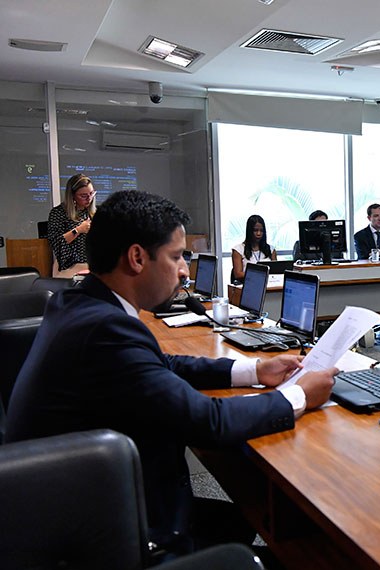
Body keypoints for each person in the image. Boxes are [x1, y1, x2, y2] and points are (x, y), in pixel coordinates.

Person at [6, 190, 337, 559]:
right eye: (177, 256)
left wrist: (255, 369)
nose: (184, 271)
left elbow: (163, 365)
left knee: (243, 518)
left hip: (76, 503)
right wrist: (301, 394)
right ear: (136, 258)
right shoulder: (106, 330)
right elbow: (209, 422)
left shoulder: (82, 302)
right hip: (110, 531)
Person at [48, 173, 97, 277]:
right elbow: (57, 244)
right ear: (72, 196)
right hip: (70, 268)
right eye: (83, 196)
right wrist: (78, 230)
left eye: (91, 194)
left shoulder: (95, 213)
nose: (89, 199)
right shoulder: (59, 213)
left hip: (93, 266)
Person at [231, 214, 277, 281]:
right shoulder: (238, 250)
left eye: (261, 231)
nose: (259, 233)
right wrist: (259, 275)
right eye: (255, 230)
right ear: (249, 231)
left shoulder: (271, 250)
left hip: (269, 285)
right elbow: (238, 274)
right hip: (248, 284)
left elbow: (276, 271)